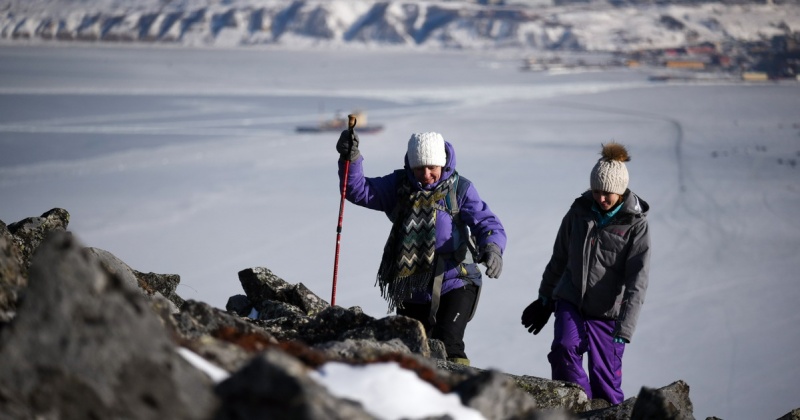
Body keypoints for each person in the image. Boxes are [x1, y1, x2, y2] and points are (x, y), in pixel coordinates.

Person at [336, 129, 506, 366]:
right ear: (411, 166)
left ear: (443, 164)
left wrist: (493, 247)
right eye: (419, 168)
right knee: (412, 351)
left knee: (449, 344)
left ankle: (457, 393)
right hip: (410, 283)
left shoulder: (460, 189)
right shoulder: (398, 186)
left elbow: (486, 222)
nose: (426, 174)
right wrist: (350, 160)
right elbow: (358, 191)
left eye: (432, 167)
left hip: (456, 279)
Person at [521, 142, 650, 404]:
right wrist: (545, 298)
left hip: (608, 313)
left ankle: (607, 412)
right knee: (564, 349)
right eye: (597, 191)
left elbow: (638, 280)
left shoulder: (635, 226)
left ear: (621, 191)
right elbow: (559, 258)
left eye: (608, 194)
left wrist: (625, 326)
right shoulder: (578, 213)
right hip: (571, 301)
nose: (601, 198)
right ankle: (576, 407)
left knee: (605, 379)